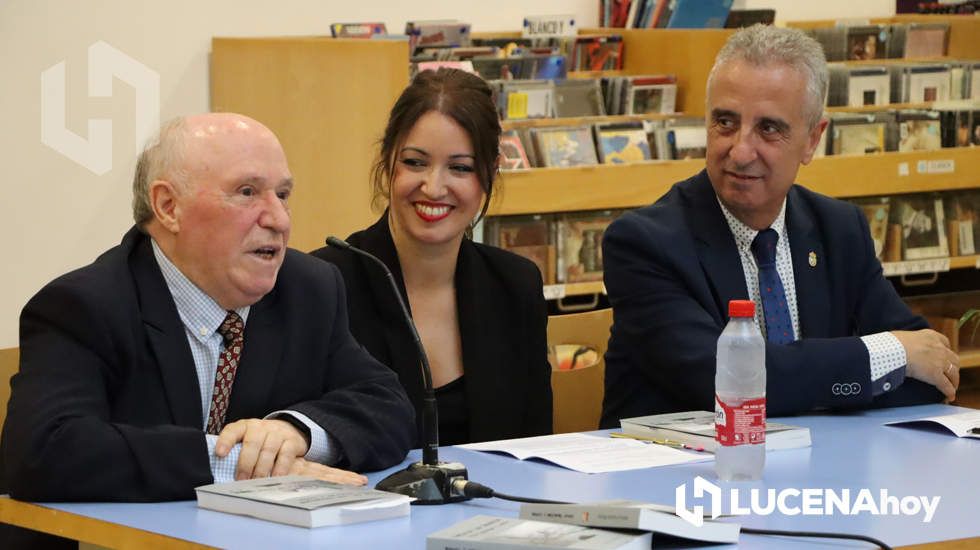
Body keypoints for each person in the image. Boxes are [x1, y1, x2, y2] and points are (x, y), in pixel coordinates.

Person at [1, 113, 416, 504]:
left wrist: (295, 433)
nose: (278, 218)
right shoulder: (85, 306)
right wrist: (237, 462)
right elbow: (42, 450)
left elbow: (389, 406)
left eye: (284, 194)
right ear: (168, 207)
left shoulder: (309, 288)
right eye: (247, 192)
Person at [600, 25, 959, 427]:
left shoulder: (840, 230)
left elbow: (932, 372)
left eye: (768, 129)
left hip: (823, 471)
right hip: (679, 480)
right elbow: (729, 382)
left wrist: (811, 382)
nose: (740, 150)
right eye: (725, 122)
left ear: (812, 139)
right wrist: (888, 356)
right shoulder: (644, 243)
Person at [312, 68, 552, 446]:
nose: (434, 187)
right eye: (415, 162)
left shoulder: (515, 283)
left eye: (460, 168)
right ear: (387, 160)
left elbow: (534, 444)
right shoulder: (323, 282)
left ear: (489, 175)